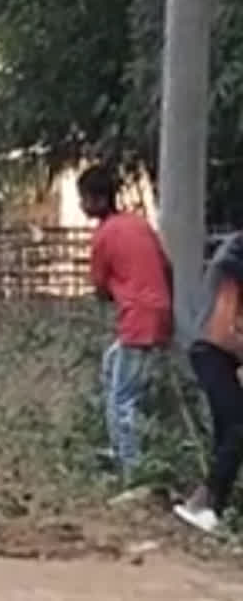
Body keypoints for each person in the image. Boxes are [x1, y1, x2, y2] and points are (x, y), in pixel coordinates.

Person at [77, 165, 173, 479]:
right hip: (157, 312)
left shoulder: (103, 236)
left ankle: (131, 470)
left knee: (123, 398)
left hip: (137, 319)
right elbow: (166, 267)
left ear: (97, 198)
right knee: (111, 366)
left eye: (85, 198)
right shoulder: (139, 224)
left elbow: (100, 287)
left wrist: (115, 296)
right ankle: (119, 449)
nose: (82, 205)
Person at [173, 232, 243, 534]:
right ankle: (203, 503)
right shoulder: (235, 259)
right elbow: (222, 331)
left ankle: (215, 510)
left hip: (217, 352)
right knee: (239, 427)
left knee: (229, 431)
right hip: (211, 351)